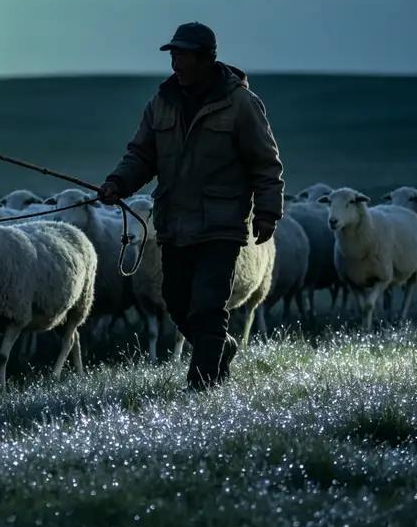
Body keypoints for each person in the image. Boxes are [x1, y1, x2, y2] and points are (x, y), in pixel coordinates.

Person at [97, 22, 284, 390]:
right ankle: (220, 348)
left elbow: (265, 162)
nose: (175, 63)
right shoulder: (161, 103)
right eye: (173, 55)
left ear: (206, 58)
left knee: (209, 306)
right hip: (174, 222)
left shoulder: (240, 104)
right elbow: (141, 154)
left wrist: (267, 211)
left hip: (221, 223)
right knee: (177, 302)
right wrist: (118, 182)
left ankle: (202, 387)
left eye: (182, 55)